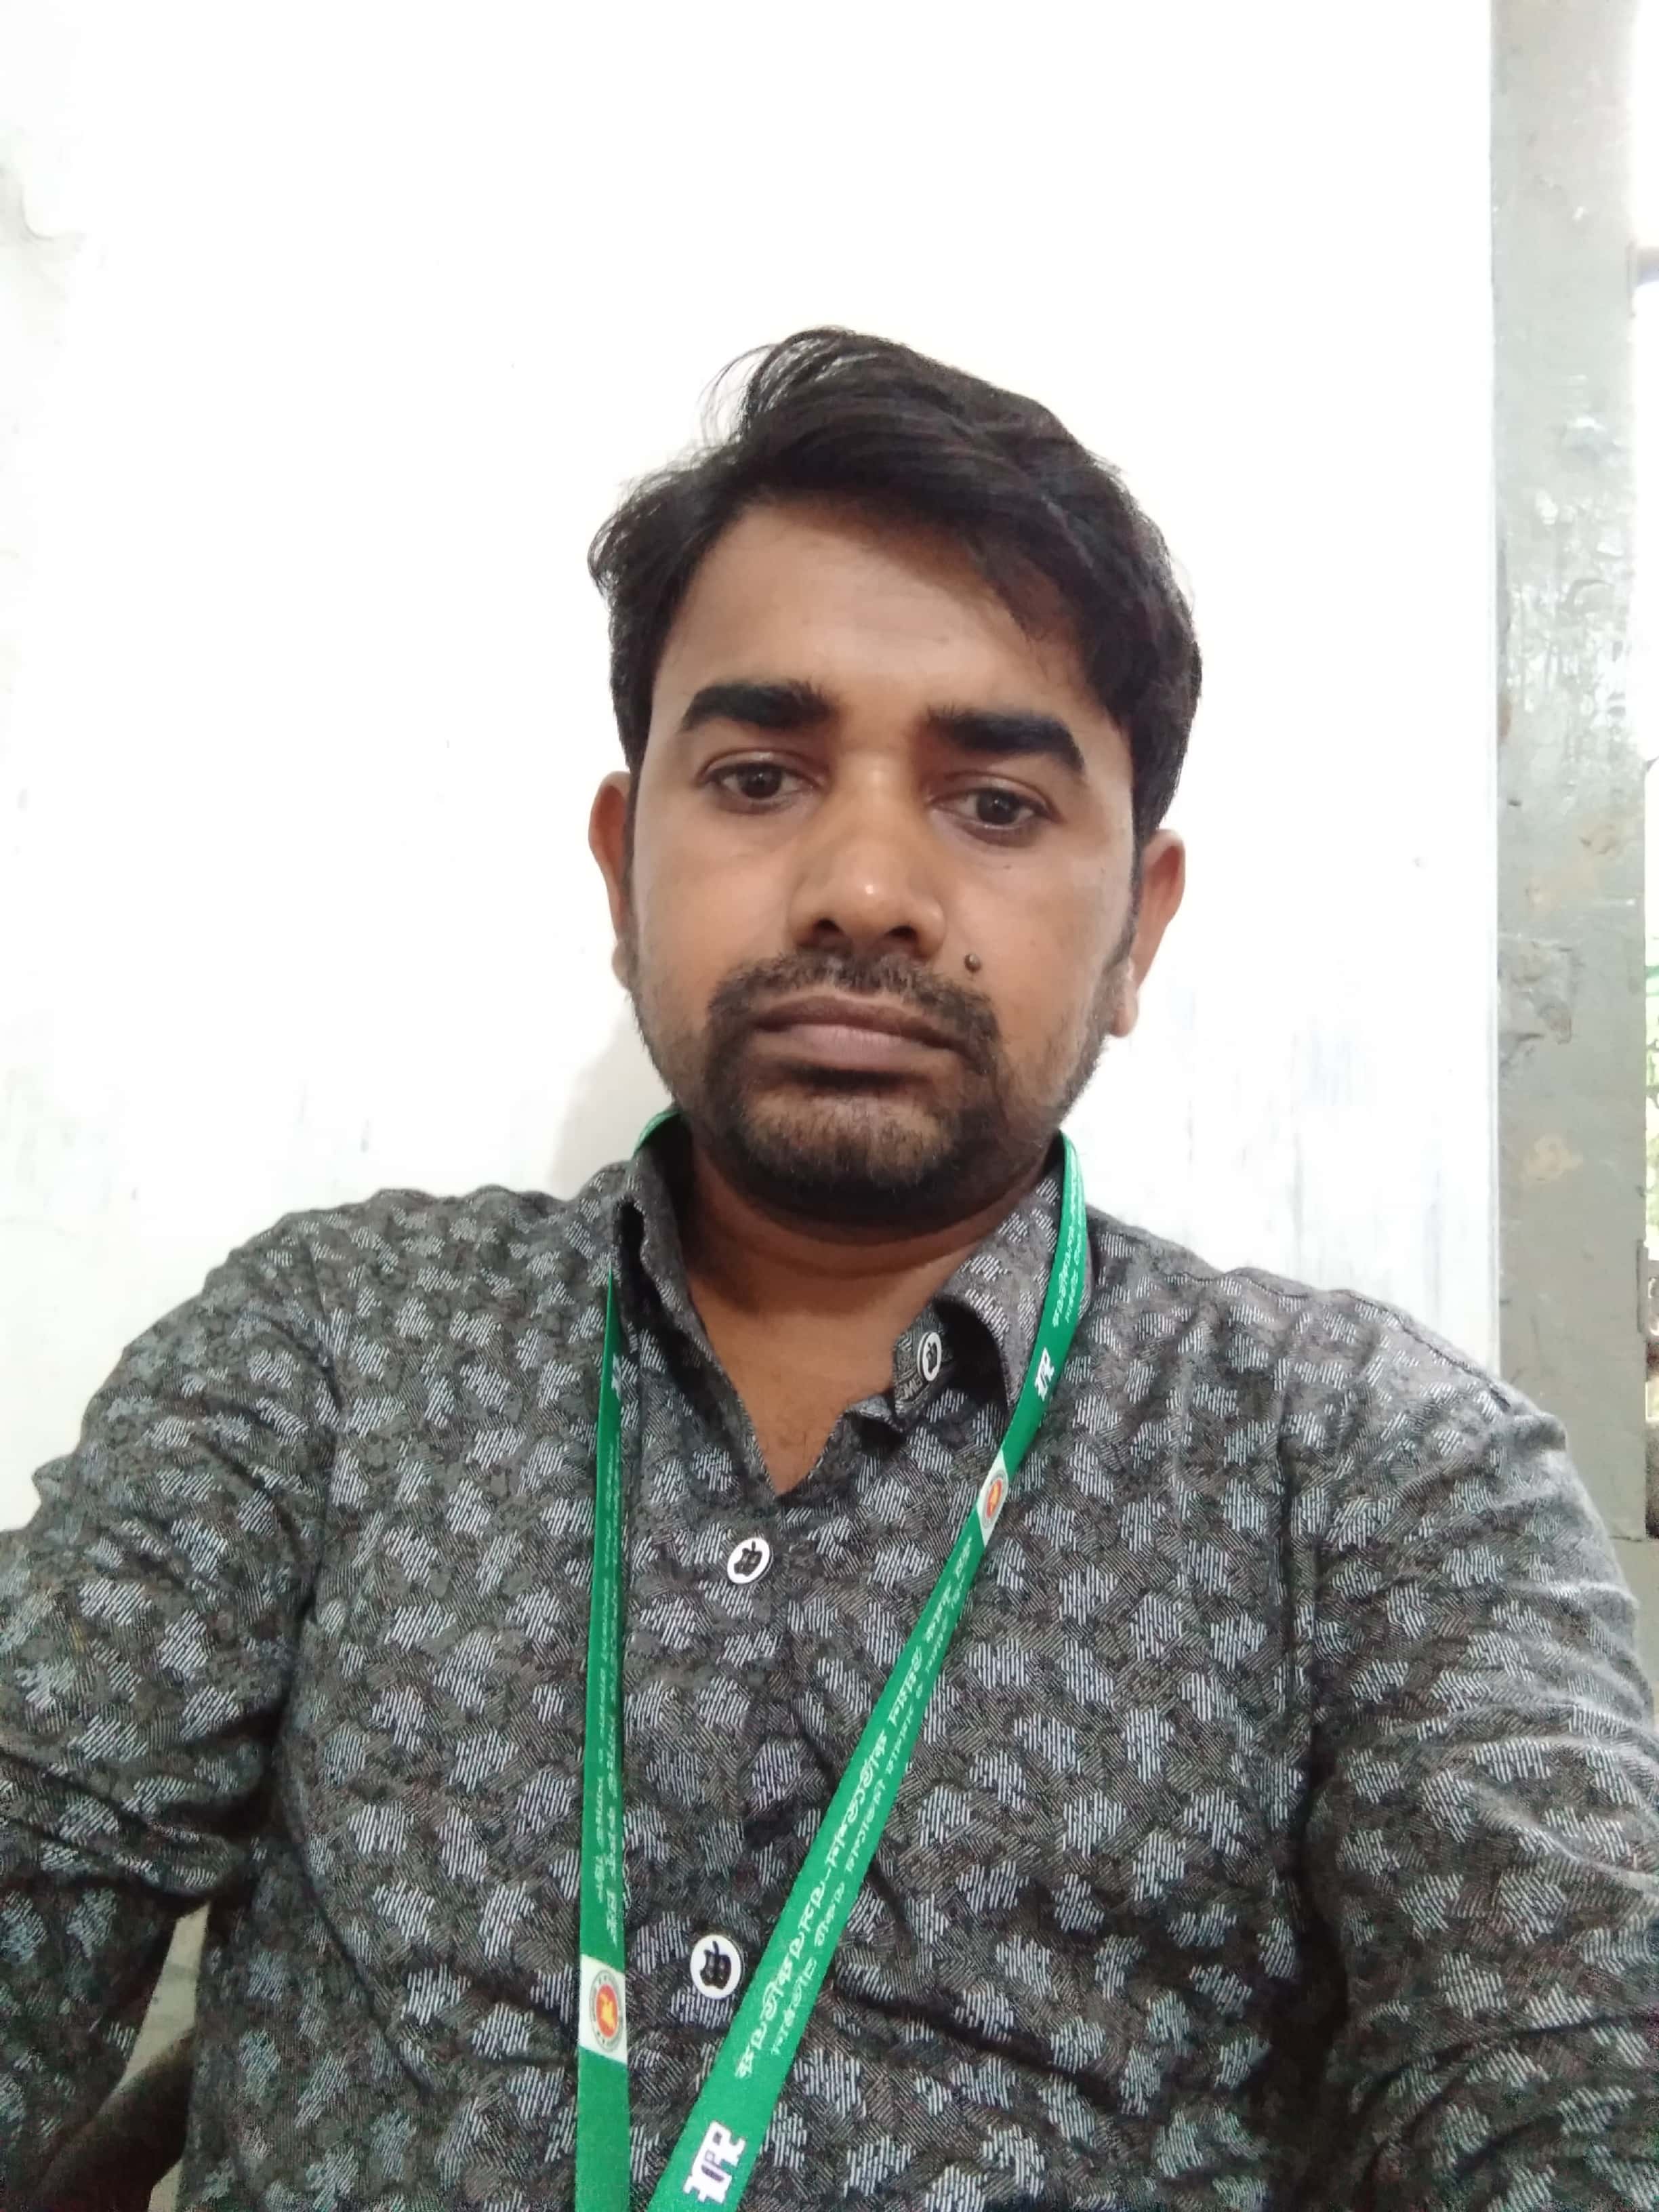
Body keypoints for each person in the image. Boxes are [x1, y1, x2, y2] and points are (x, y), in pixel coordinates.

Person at [3, 328, 1657, 2212]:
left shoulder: (1370, 1465)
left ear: (1140, 927)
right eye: (761, 777)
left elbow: (1570, 2075)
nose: (865, 888)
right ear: (623, 867)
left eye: (997, 803)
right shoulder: (333, 1355)